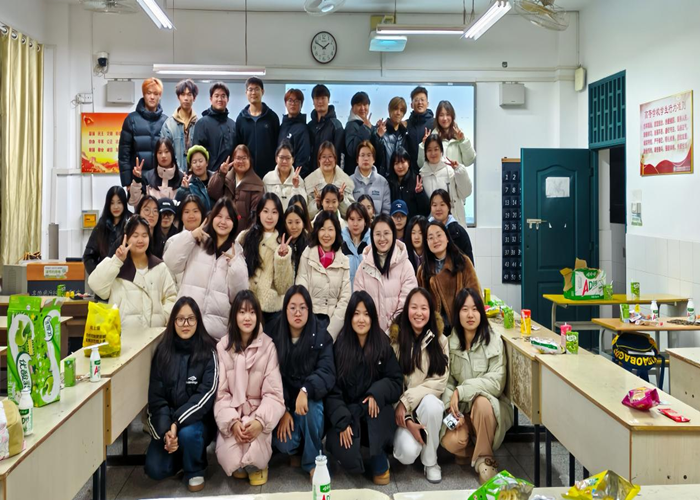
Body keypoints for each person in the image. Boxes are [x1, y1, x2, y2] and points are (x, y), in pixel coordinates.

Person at [325, 292, 402, 485]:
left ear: (373, 317)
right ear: (349, 317)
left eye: (366, 314)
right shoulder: (339, 347)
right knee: (346, 454)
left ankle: (378, 453)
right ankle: (351, 453)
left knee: (379, 412)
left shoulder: (382, 344)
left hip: (373, 413)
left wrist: (376, 393)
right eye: (356, 314)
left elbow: (395, 381)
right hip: (349, 412)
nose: (361, 319)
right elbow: (332, 390)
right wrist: (341, 420)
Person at [145, 297, 218, 492]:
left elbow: (205, 397)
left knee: (189, 433)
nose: (186, 324)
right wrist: (166, 433)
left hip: (197, 422)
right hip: (169, 424)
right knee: (155, 469)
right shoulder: (163, 352)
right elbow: (156, 399)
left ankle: (195, 468)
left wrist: (177, 423)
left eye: (191, 319)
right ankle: (180, 454)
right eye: (180, 319)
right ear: (173, 322)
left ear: (198, 321)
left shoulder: (208, 351)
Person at [440, 288, 512, 484]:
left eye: (475, 309)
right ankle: (471, 452)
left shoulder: (493, 340)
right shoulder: (450, 343)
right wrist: (450, 409)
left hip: (489, 410)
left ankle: (485, 458)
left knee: (481, 402)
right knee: (450, 441)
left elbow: (496, 382)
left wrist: (461, 391)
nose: (470, 315)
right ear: (457, 314)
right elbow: (446, 381)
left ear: (481, 312)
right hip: (463, 411)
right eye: (464, 309)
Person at [214, 290, 285, 486]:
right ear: (234, 315)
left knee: (255, 456)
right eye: (242, 312)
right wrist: (232, 423)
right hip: (233, 412)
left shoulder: (268, 346)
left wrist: (260, 422)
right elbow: (221, 395)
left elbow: (274, 395)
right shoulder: (223, 347)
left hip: (258, 411)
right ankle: (243, 462)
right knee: (230, 459)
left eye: (252, 312)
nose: (247, 318)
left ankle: (258, 464)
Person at [271, 285, 335, 478]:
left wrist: (306, 390)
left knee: (312, 408)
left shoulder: (321, 335)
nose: (297, 313)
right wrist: (283, 409)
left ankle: (312, 461)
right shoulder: (273, 333)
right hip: (285, 404)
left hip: (309, 403)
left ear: (309, 309)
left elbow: (326, 371)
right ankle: (297, 450)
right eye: (292, 307)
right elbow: (270, 376)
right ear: (285, 309)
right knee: (285, 444)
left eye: (302, 307)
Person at [164, 198, 249, 340]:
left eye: (228, 218)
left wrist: (235, 266)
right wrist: (190, 236)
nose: (223, 222)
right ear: (212, 218)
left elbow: (239, 296)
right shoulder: (197, 242)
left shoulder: (237, 253)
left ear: (234, 223)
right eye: (219, 216)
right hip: (186, 325)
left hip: (215, 334)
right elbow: (171, 263)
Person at [390, 287, 449, 484]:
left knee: (432, 405)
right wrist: (406, 417)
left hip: (424, 406)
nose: (419, 313)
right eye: (414, 307)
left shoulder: (440, 340)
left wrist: (406, 401)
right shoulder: (396, 341)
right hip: (403, 414)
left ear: (430, 311)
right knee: (407, 453)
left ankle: (431, 462)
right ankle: (413, 443)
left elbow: (439, 381)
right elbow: (392, 382)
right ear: (407, 309)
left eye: (424, 308)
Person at [88, 215, 177, 329]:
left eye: (144, 235)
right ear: (126, 238)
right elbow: (96, 286)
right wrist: (117, 260)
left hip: (155, 335)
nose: (140, 240)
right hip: (123, 335)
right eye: (135, 235)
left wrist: (163, 318)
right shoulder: (117, 267)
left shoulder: (159, 267)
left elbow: (171, 297)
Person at [237, 193, 295, 326]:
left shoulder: (283, 244)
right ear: (259, 213)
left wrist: (282, 258)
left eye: (274, 212)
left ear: (279, 215)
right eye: (265, 211)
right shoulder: (244, 237)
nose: (269, 217)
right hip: (245, 305)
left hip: (271, 313)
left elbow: (283, 287)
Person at [354, 215, 417, 334]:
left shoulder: (405, 265)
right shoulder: (363, 267)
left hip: (398, 334)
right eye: (378, 234)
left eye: (386, 233)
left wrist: (390, 332)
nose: (382, 238)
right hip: (370, 334)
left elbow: (407, 303)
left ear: (393, 234)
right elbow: (359, 303)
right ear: (372, 236)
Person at [295, 210, 351, 341]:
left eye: (330, 229)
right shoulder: (307, 255)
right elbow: (301, 290)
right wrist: (308, 325)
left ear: (337, 232)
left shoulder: (344, 261)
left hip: (333, 328)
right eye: (322, 229)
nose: (326, 234)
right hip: (308, 323)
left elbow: (345, 300)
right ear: (316, 231)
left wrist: (330, 333)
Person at [418, 221, 480, 336]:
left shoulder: (463, 262)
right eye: (430, 238)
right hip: (434, 332)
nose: (435, 240)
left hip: (461, 328)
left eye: (439, 235)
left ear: (447, 238)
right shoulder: (423, 270)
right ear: (427, 243)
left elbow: (476, 295)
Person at [118, 77, 167, 186]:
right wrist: (127, 183)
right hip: (137, 180)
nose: (152, 97)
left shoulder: (166, 121)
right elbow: (124, 155)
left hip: (161, 182)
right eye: (149, 93)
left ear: (160, 96)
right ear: (144, 94)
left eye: (156, 93)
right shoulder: (131, 120)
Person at [208, 144, 265, 234]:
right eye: (238, 158)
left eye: (244, 158)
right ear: (233, 160)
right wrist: (221, 174)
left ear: (250, 160)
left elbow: (256, 216)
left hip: (243, 235)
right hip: (223, 230)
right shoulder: (225, 178)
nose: (241, 161)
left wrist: (247, 235)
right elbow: (212, 192)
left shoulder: (257, 184)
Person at [420, 134, 472, 228]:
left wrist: (460, 171)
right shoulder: (422, 175)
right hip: (432, 226)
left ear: (441, 151)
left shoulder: (450, 171)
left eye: (436, 149)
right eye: (429, 150)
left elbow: (465, 192)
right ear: (425, 152)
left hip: (454, 223)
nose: (433, 153)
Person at [192, 82, 237, 182]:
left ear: (228, 99)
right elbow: (197, 154)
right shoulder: (202, 124)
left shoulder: (233, 125)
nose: (220, 99)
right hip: (208, 179)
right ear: (211, 99)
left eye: (223, 96)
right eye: (216, 96)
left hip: (230, 179)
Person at [236, 77, 280, 178]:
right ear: (246, 93)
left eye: (257, 89)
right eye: (250, 89)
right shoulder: (241, 119)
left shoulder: (272, 117)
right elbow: (238, 146)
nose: (253, 93)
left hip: (269, 173)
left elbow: (277, 145)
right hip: (247, 172)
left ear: (262, 91)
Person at [83, 186, 131, 275]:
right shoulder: (101, 226)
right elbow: (88, 256)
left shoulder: (132, 223)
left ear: (124, 203)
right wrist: (97, 275)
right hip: (105, 277)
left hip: (126, 277)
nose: (116, 207)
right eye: (112, 203)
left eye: (119, 202)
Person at [418, 100, 476, 170]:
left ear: (452, 116)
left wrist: (463, 141)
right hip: (438, 177)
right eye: (441, 115)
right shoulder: (433, 137)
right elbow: (421, 165)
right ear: (437, 117)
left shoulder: (459, 136)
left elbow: (469, 161)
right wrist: (423, 145)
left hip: (456, 176)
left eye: (448, 115)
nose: (445, 118)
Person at [305, 142, 355, 220]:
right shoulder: (309, 182)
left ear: (335, 159)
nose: (327, 160)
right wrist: (317, 205)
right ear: (319, 159)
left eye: (330, 156)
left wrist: (342, 200)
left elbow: (352, 213)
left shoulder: (346, 182)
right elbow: (306, 214)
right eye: (324, 157)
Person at [128, 137, 183, 207]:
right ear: (156, 155)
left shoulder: (182, 178)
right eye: (160, 152)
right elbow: (134, 202)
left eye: (166, 152)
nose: (163, 156)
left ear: (172, 153)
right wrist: (137, 180)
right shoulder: (148, 177)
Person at [161, 79, 199, 173]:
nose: (186, 98)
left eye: (189, 94)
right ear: (178, 97)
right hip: (173, 175)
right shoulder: (168, 125)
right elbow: (165, 153)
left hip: (195, 175)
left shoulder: (199, 124)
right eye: (183, 94)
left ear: (194, 98)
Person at [430, 189, 474, 266]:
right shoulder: (425, 230)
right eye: (434, 205)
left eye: (442, 204)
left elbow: (469, 265)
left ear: (449, 206)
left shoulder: (459, 232)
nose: (438, 208)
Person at [344, 91, 385, 175]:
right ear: (353, 108)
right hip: (356, 175)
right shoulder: (351, 125)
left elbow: (376, 154)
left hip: (370, 174)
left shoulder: (368, 125)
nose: (362, 108)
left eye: (365, 104)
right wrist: (365, 128)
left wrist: (377, 134)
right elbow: (352, 150)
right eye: (359, 105)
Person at [308, 84, 345, 172]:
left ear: (328, 100)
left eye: (323, 98)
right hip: (312, 175)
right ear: (313, 101)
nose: (320, 101)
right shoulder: (309, 126)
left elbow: (340, 154)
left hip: (330, 174)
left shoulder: (336, 125)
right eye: (317, 98)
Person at [350, 141, 391, 216]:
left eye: (369, 155)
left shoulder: (382, 182)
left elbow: (386, 209)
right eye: (362, 155)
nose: (366, 159)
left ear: (374, 159)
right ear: (357, 159)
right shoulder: (349, 181)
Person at [263, 142, 307, 210]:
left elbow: (304, 205)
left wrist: (296, 188)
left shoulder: (299, 180)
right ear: (276, 159)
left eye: (288, 158)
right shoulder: (267, 178)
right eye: (281, 157)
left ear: (293, 160)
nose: (284, 161)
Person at [388, 148, 429, 220]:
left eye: (403, 162)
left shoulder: (416, 180)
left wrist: (420, 193)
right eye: (396, 163)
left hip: (413, 223)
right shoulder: (388, 182)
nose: (400, 166)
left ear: (408, 163)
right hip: (394, 222)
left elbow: (426, 210)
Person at [278, 89, 311, 177]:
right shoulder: (282, 126)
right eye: (290, 100)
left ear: (301, 105)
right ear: (285, 103)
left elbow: (303, 159)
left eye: (297, 101)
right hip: (280, 175)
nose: (293, 104)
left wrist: (297, 177)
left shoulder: (303, 129)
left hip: (294, 177)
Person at [175, 145, 215, 212]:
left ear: (207, 163)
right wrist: (183, 190)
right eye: (194, 162)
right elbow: (177, 206)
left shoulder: (215, 179)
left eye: (200, 161)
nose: (198, 165)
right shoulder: (189, 185)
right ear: (191, 166)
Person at [341, 202, 370, 290]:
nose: (355, 224)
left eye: (359, 219)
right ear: (347, 220)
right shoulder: (340, 241)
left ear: (365, 222)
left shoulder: (372, 242)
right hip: (346, 293)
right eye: (352, 219)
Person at [405, 86, 435, 174]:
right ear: (411, 105)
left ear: (427, 103)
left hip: (431, 171)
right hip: (410, 173)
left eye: (422, 100)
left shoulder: (435, 123)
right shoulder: (406, 124)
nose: (420, 103)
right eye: (416, 100)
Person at [379, 96, 409, 177]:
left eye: (401, 110)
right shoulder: (380, 132)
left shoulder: (405, 135)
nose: (398, 113)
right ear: (389, 110)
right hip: (383, 179)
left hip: (400, 179)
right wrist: (378, 137)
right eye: (395, 109)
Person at [284, 204, 310, 278]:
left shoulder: (310, 245)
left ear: (303, 224)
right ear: (285, 224)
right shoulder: (279, 242)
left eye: (297, 222)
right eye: (290, 222)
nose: (294, 227)